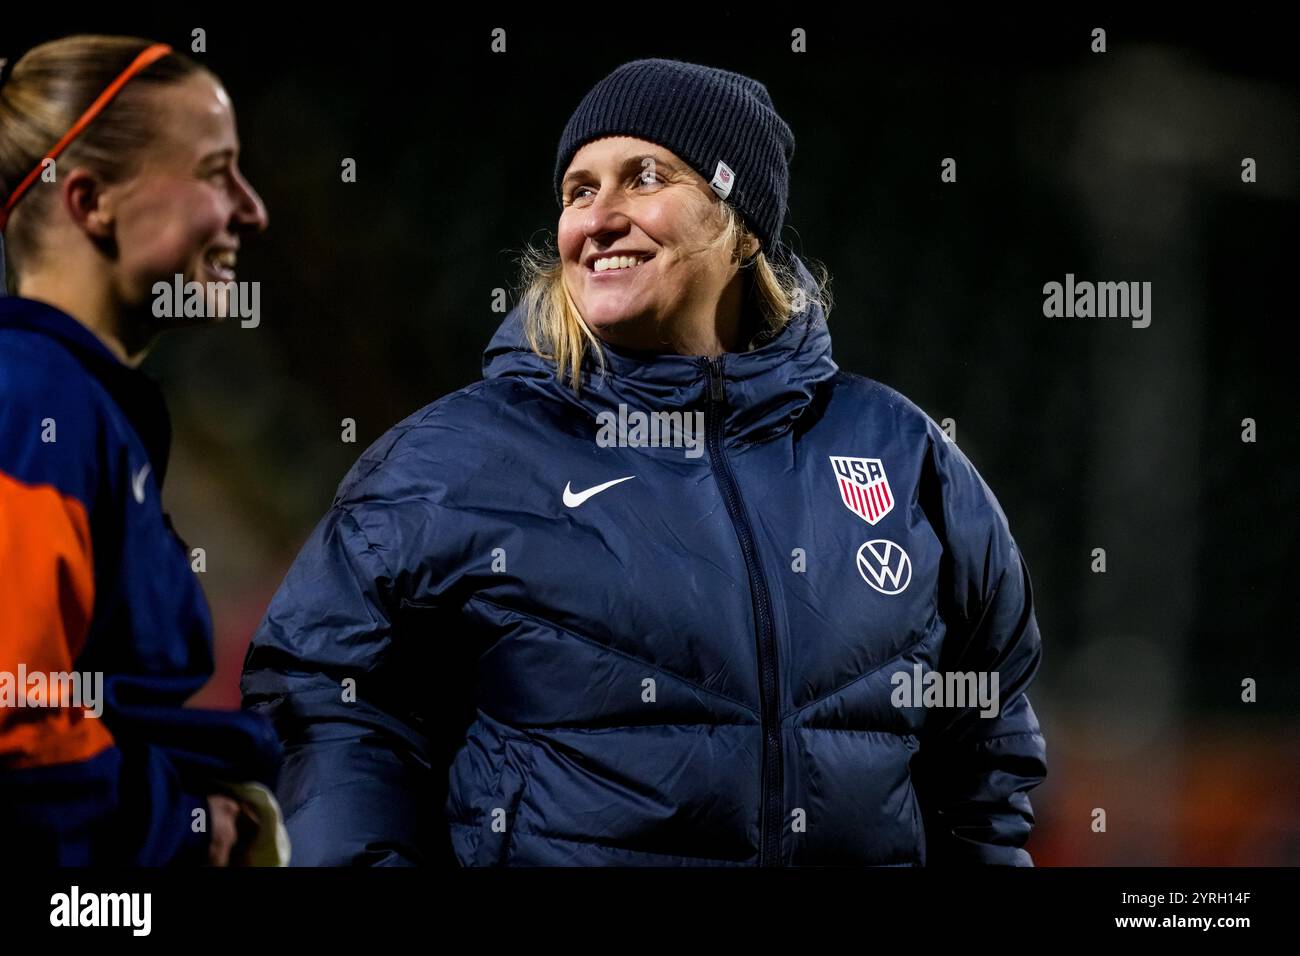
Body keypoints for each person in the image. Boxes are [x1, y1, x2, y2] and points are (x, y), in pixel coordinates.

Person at [242, 57, 1047, 866]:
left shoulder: (902, 455)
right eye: (579, 191)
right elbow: (327, 709)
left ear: (743, 225)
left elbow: (985, 753)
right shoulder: (449, 463)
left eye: (645, 177)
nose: (599, 218)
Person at [0, 35, 285, 866]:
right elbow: (14, 712)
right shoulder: (33, 396)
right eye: (214, 171)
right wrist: (183, 825)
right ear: (90, 203)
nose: (252, 208)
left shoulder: (72, 399)